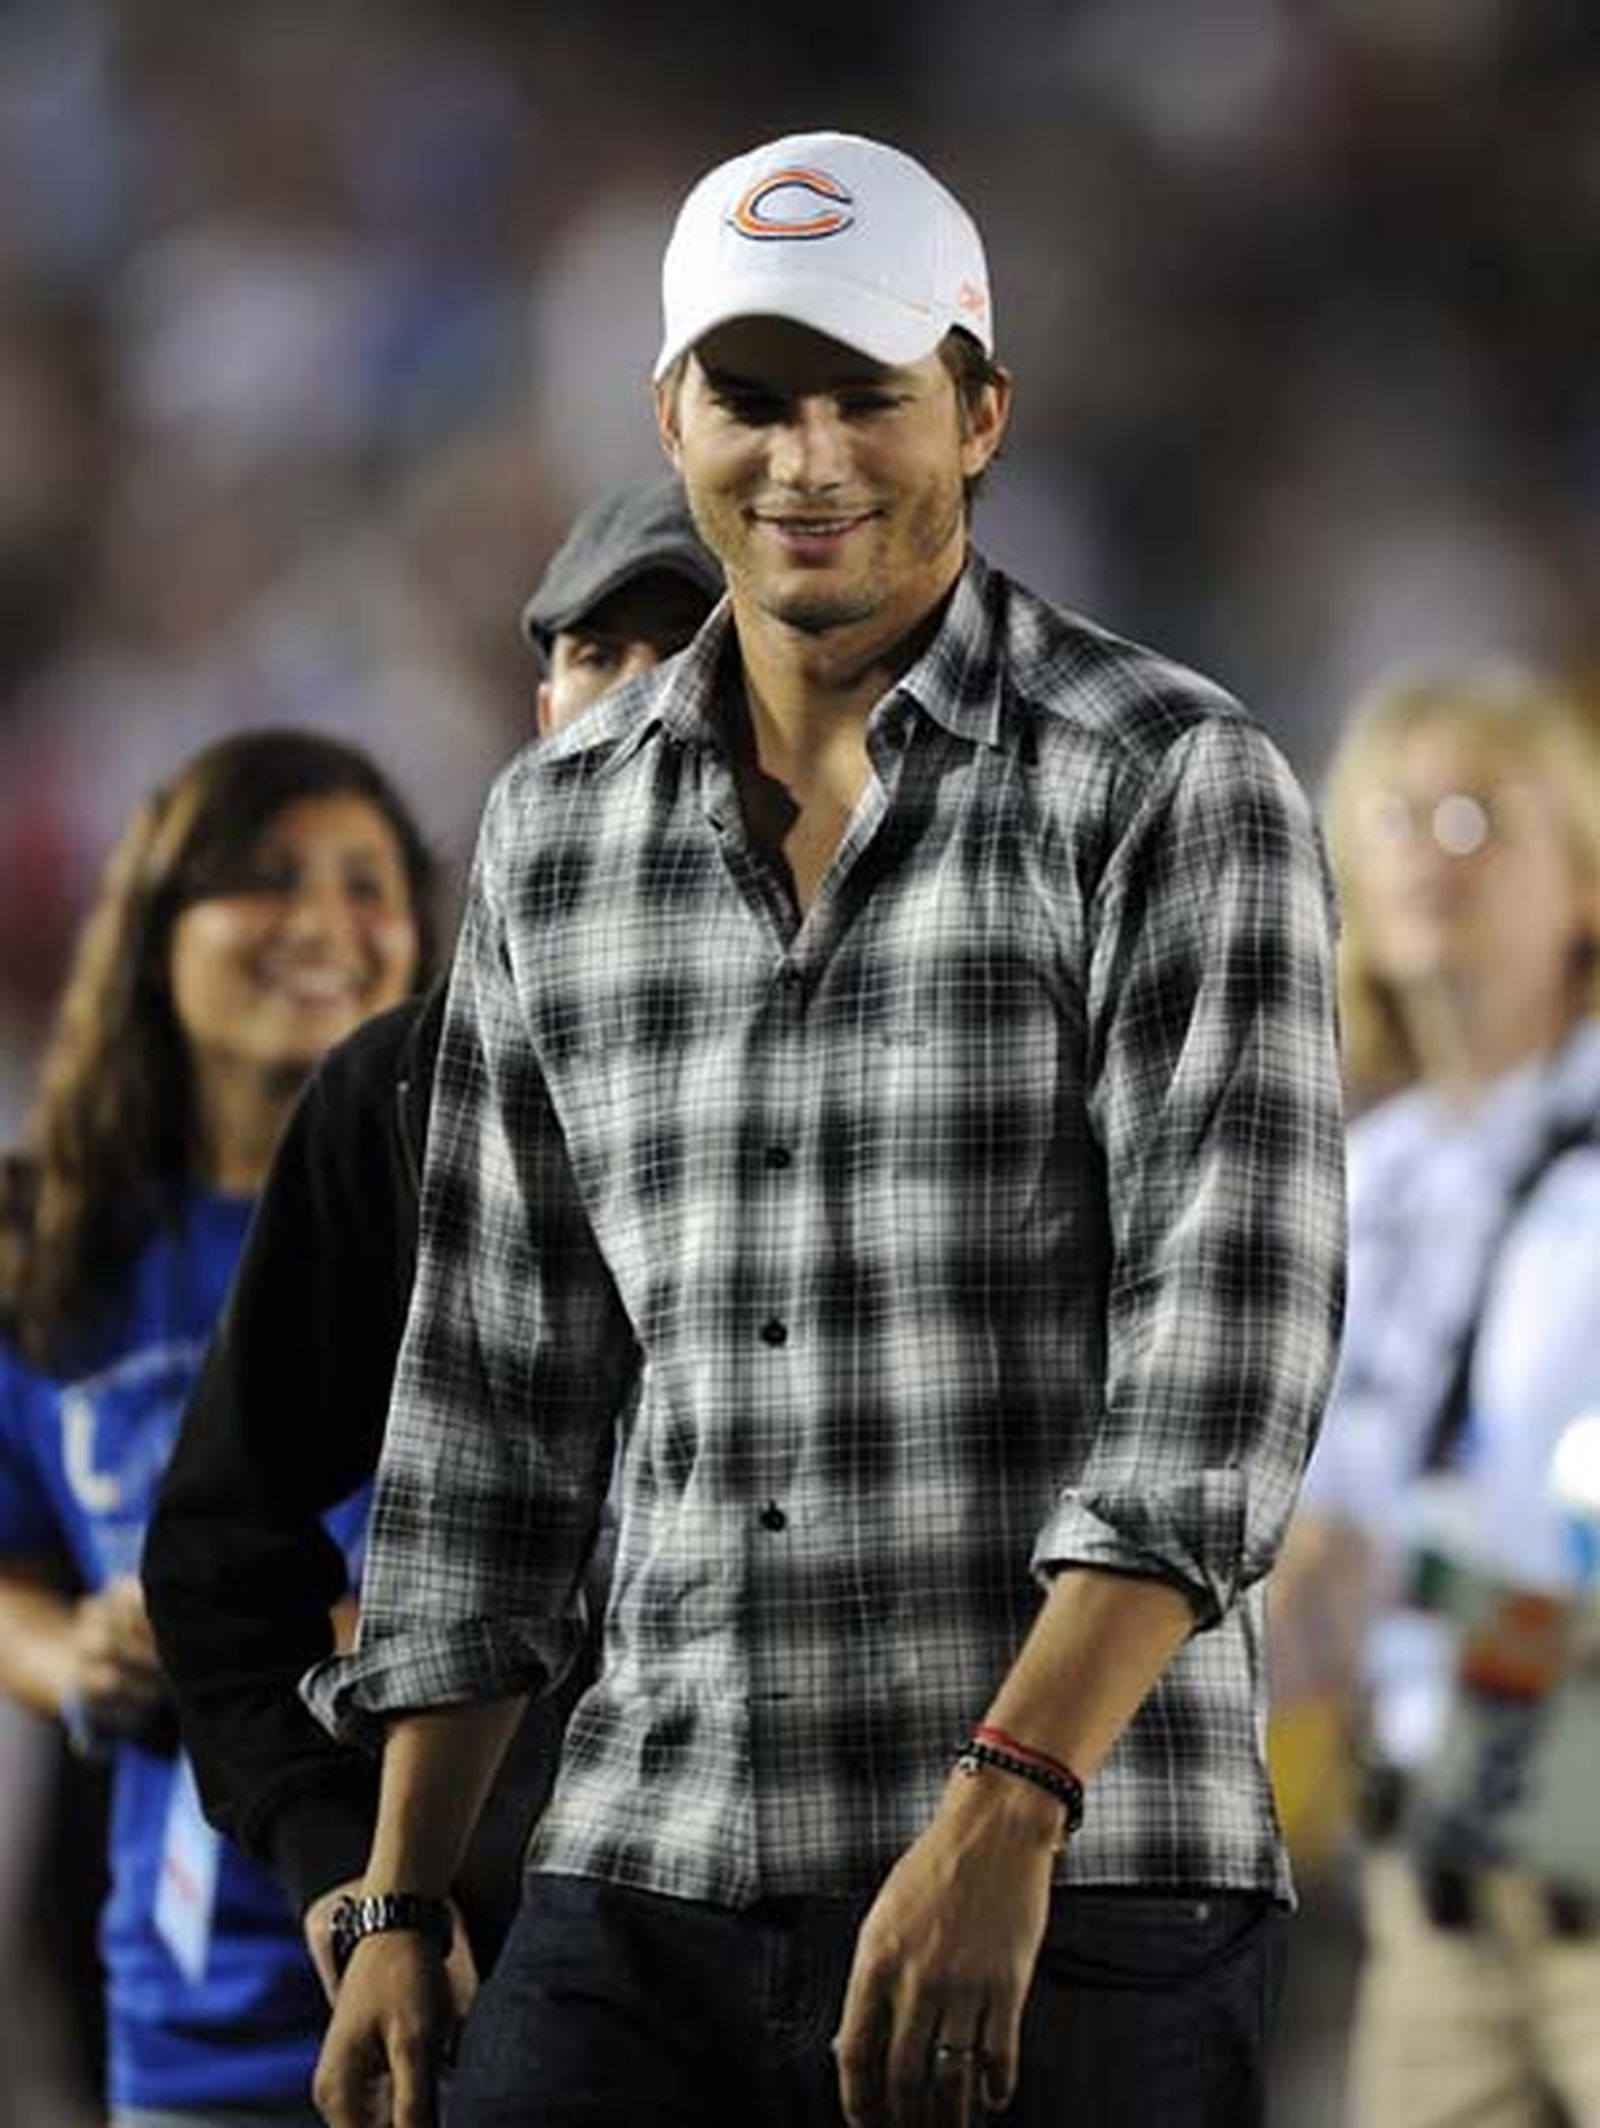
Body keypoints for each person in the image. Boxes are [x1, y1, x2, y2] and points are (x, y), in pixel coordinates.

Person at [307, 129, 1346, 2128]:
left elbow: (1219, 1370)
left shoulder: (1165, 777)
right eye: (753, 397)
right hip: (649, 1855)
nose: (808, 459)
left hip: (1088, 1877)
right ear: (668, 412)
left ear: (978, 414)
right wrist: (402, 1889)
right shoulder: (552, 828)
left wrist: (1008, 1798)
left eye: (866, 397)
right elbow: (486, 1407)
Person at [143, 477, 723, 1998]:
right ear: (544, 708)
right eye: (603, 655)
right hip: (508, 1947)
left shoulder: (932, 1055)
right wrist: (349, 1875)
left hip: (861, 1917)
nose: (643, 694)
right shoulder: (395, 1098)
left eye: (692, 647)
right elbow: (222, 1551)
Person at [0, 727, 436, 2127]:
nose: (322, 923)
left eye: (368, 885)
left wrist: (370, 1642)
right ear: (152, 925)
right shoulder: (49, 1249)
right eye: (262, 877)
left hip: (466, 1952)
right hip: (180, 1994)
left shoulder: (489, 1223)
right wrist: (77, 1653)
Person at [1271, 665, 1600, 2127]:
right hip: (1437, 1867)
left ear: (1585, 882)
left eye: (1480, 816)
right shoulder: (1365, 1184)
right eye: (1395, 815)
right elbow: (1328, 1558)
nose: (1428, 851)